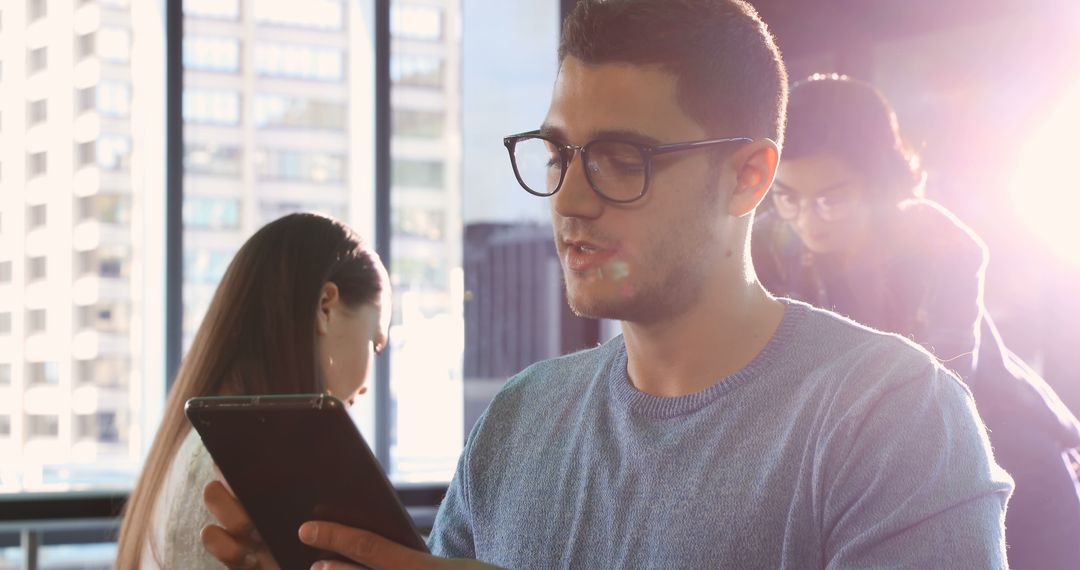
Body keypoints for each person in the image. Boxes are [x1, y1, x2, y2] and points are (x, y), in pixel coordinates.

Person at [201, 1, 1012, 568]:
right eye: (558, 156)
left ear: (747, 177)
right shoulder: (521, 417)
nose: (570, 200)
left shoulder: (893, 416)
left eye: (622, 161)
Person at [752, 73, 1080, 569]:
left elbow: (943, 389)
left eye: (832, 198)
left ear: (878, 180)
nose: (807, 218)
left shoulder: (942, 246)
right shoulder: (771, 244)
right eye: (788, 195)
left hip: (1001, 446)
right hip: (868, 458)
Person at [113, 212, 391, 568]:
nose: (367, 384)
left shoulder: (197, 444)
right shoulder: (241, 466)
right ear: (326, 307)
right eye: (376, 342)